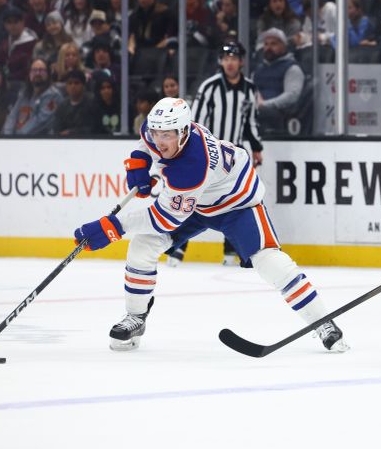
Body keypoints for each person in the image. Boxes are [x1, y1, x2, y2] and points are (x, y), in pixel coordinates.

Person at [73, 97, 350, 354]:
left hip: (237, 204)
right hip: (197, 202)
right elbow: (145, 141)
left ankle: (322, 321)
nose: (159, 141)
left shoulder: (192, 166)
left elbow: (165, 219)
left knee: (270, 261)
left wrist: (113, 226)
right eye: (157, 133)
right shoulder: (160, 130)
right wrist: (139, 162)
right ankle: (135, 316)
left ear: (183, 132)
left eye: (166, 136)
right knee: (142, 246)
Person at [163, 40, 263, 267]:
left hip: (233, 157)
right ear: (221, 61)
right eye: (226, 58)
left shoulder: (249, 89)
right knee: (193, 199)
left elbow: (251, 122)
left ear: (241, 62)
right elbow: (194, 121)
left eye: (234, 58)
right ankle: (176, 249)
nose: (230, 63)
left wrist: (257, 147)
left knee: (233, 201)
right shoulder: (209, 87)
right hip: (208, 156)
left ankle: (230, 251)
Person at [253, 28, 304, 135]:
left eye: (273, 44)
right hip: (256, 109)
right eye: (266, 44)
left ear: (284, 46)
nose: (268, 48)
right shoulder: (259, 69)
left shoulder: (292, 68)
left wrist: (265, 105)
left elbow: (291, 96)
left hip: (278, 115)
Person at [2, 58, 64, 135]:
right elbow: (12, 116)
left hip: (40, 142)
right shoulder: (24, 93)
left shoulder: (54, 96)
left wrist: (17, 138)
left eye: (41, 70)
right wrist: (7, 137)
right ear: (29, 74)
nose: (37, 73)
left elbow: (41, 122)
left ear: (48, 74)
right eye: (34, 70)